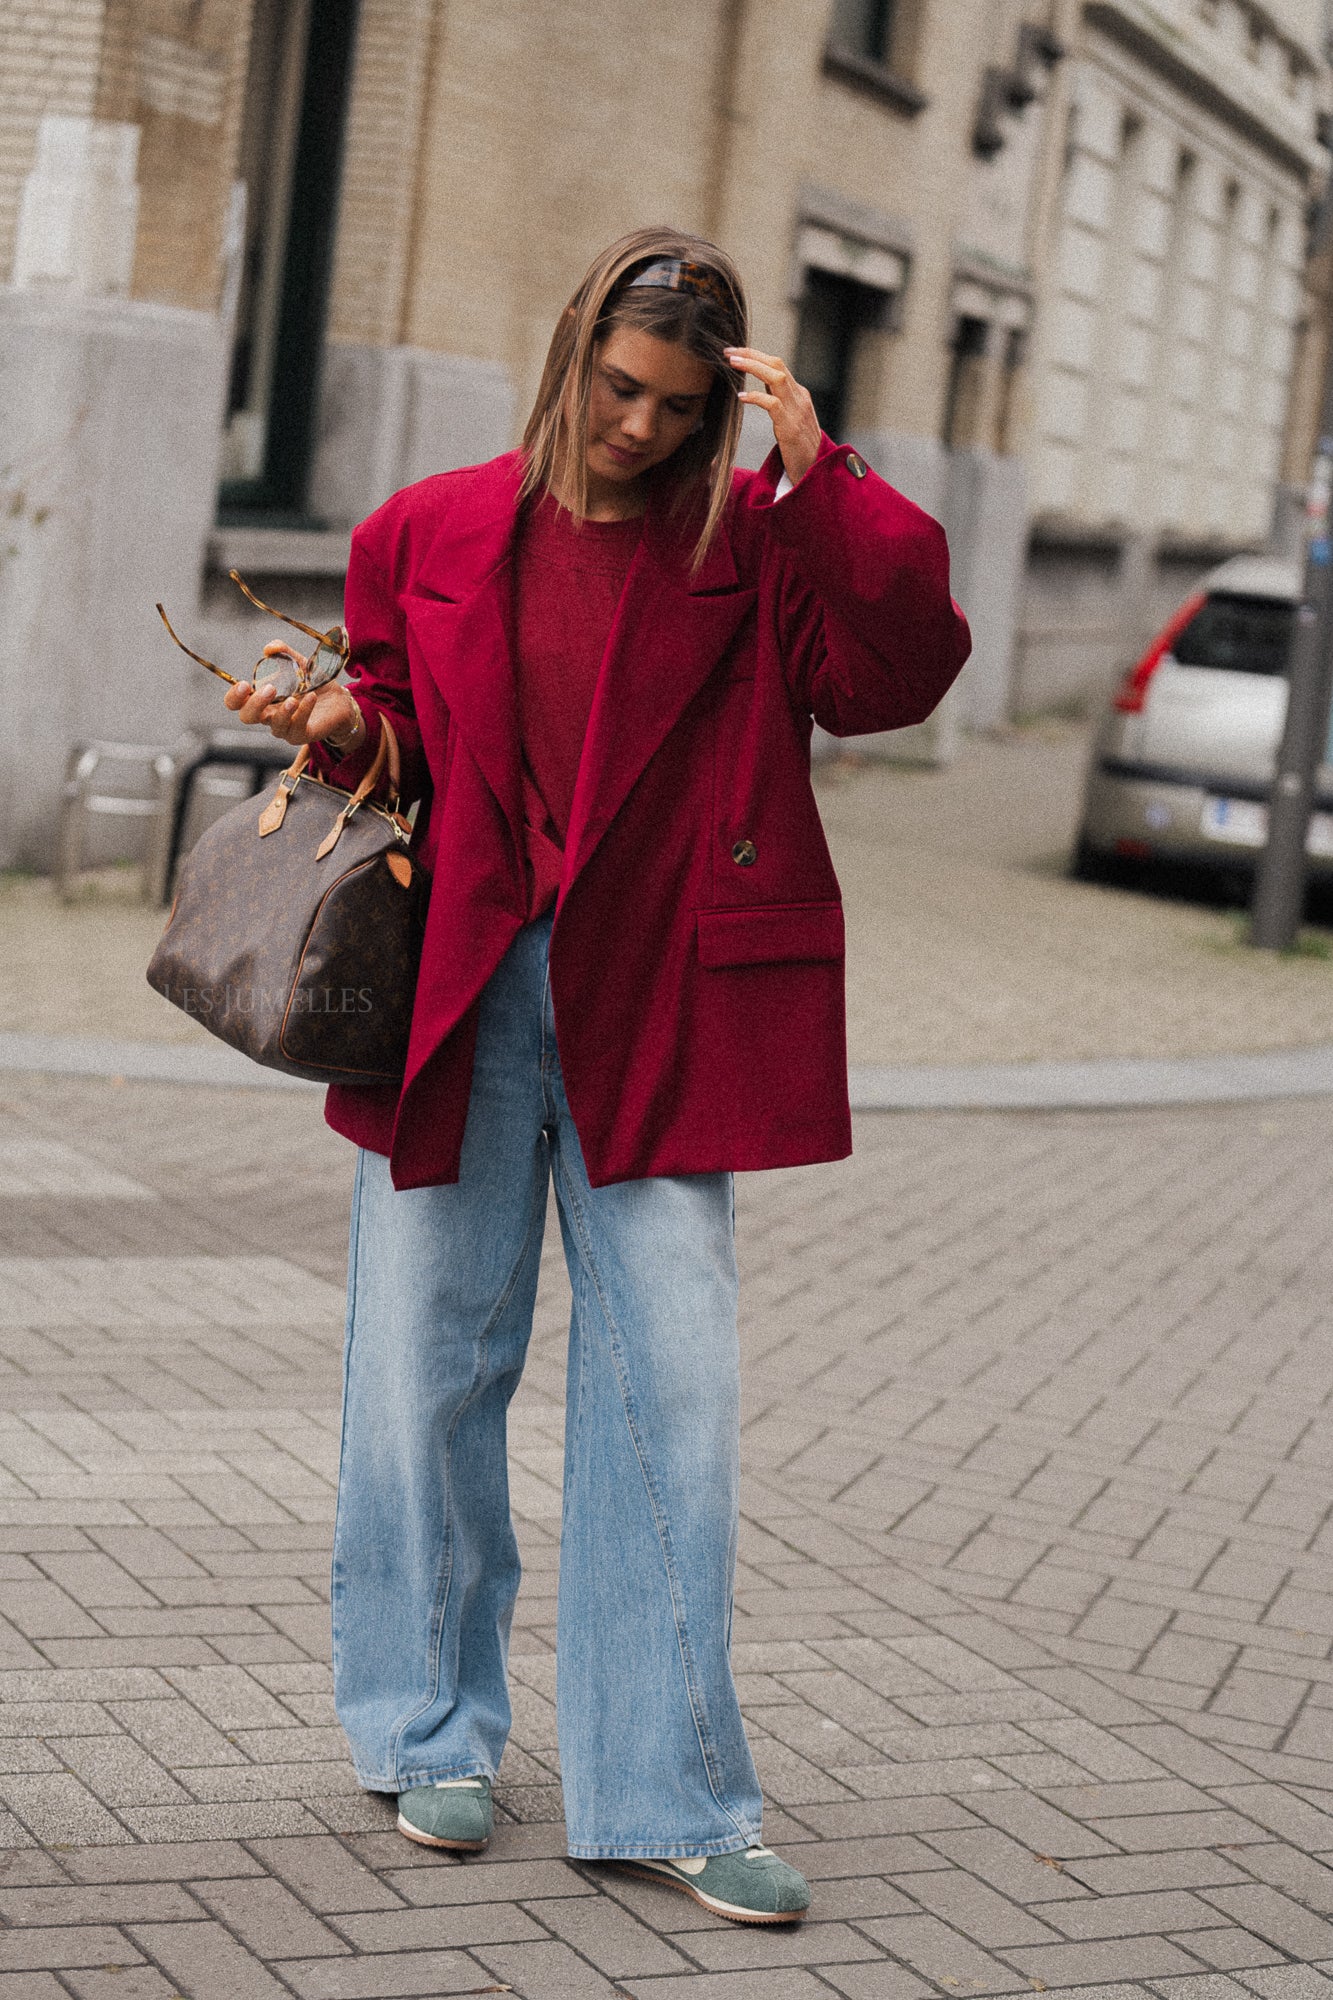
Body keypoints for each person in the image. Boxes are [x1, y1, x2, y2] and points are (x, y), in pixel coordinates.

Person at [221, 226, 970, 1924]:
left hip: (668, 1001)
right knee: (424, 1368)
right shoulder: (429, 527)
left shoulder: (761, 546)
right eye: (618, 388)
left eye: (676, 405)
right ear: (571, 356)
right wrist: (336, 725)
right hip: (462, 997)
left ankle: (670, 1787)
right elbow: (399, 724)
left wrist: (824, 471)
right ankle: (428, 1732)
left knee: (672, 1398)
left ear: (723, 407)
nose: (634, 427)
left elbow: (897, 675)